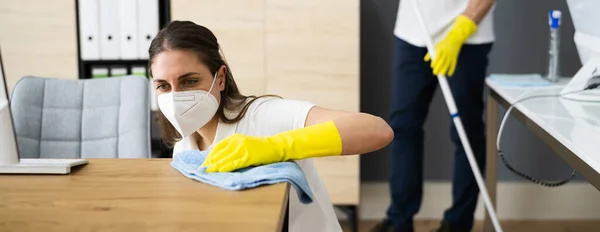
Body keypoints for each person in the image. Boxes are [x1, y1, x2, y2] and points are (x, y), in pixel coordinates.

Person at [149, 21, 394, 232]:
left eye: (189, 81)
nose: (176, 96)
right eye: (163, 86)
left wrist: (275, 146)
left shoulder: (262, 116)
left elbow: (377, 130)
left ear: (220, 78)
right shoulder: (184, 149)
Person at [371, 0, 495, 231]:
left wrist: (460, 30)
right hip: (413, 31)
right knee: (403, 127)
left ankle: (458, 224)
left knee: (466, 131)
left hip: (468, 36)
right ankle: (399, 221)